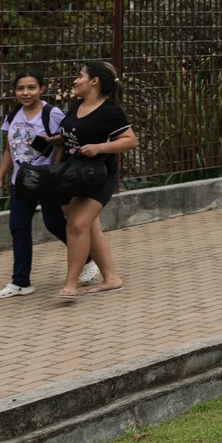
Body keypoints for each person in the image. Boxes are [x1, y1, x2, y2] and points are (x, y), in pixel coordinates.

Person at [0, 71, 99, 297]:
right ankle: (20, 282)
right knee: (18, 227)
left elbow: (64, 143)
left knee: (54, 223)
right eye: (20, 88)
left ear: (41, 89)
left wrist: (54, 170)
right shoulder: (13, 115)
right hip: (21, 182)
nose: (25, 93)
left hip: (46, 181)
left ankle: (88, 258)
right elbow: (9, 150)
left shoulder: (52, 113)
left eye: (31, 87)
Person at [56, 59, 134, 299]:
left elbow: (130, 141)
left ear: (94, 81)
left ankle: (70, 285)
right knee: (89, 227)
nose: (75, 80)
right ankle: (112, 279)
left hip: (98, 177)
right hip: (72, 175)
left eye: (80, 75)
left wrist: (99, 148)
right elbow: (72, 134)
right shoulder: (77, 105)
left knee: (77, 225)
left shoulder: (110, 112)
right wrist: (52, 140)